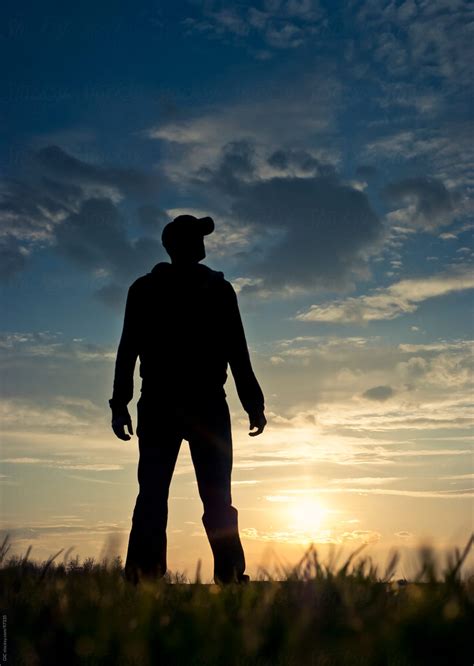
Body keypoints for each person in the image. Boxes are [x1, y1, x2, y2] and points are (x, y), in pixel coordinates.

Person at [109, 214, 267, 585]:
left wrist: (252, 401)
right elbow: (128, 349)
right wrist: (119, 403)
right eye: (198, 236)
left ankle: (148, 576)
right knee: (176, 494)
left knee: (173, 494)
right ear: (182, 245)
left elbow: (235, 349)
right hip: (196, 404)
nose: (204, 242)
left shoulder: (150, 289)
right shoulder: (202, 290)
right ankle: (220, 575)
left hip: (175, 404)